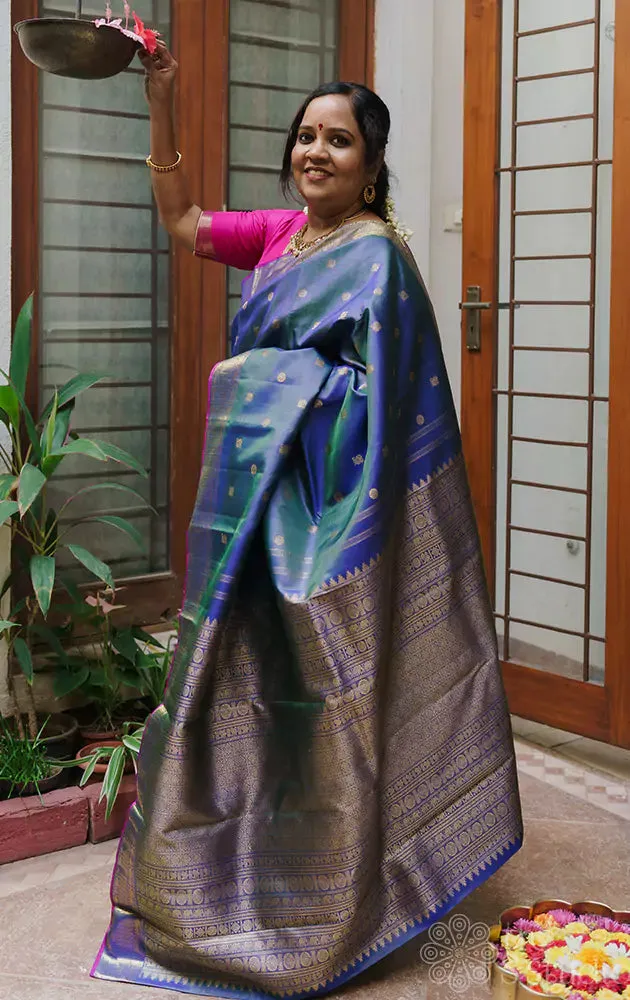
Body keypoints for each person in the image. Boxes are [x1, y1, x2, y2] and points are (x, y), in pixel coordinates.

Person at [92, 41, 523, 999]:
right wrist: (164, 97)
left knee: (328, 692)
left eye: (339, 141)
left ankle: (338, 888)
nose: (315, 152)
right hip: (252, 515)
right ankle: (226, 872)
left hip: (332, 522)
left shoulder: (376, 257)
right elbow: (184, 220)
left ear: (373, 166)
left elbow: (382, 399)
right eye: (305, 136)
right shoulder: (281, 237)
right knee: (229, 688)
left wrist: (256, 383)